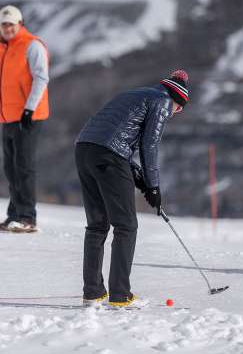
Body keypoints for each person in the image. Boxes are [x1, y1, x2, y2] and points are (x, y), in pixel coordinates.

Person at [75, 69, 190, 307]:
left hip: (84, 149)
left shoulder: (138, 94)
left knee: (97, 225)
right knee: (126, 226)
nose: (174, 114)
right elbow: (150, 146)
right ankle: (120, 295)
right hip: (109, 156)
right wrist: (155, 187)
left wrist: (142, 180)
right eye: (178, 110)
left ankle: (93, 292)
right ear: (177, 102)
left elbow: (116, 138)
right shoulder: (163, 102)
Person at [0, 5, 49, 233]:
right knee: (11, 168)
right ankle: (14, 215)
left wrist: (30, 109)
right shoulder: (2, 49)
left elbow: (41, 78)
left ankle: (28, 218)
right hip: (7, 116)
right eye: (4, 25)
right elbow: (2, 85)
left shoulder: (32, 46)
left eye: (11, 24)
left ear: (20, 24)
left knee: (24, 167)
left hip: (27, 117)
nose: (8, 28)